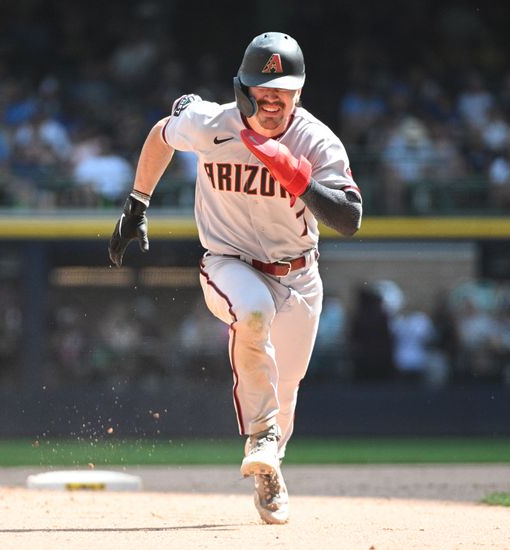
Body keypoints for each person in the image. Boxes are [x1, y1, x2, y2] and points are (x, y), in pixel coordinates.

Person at [107, 32, 362, 525]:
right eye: (263, 94)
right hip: (229, 262)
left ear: (299, 93)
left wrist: (299, 178)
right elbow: (163, 132)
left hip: (299, 276)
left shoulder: (314, 140)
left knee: (286, 389)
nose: (272, 104)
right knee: (252, 312)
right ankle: (261, 435)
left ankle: (270, 465)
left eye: (283, 95)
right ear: (243, 89)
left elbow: (350, 218)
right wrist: (137, 202)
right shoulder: (212, 123)